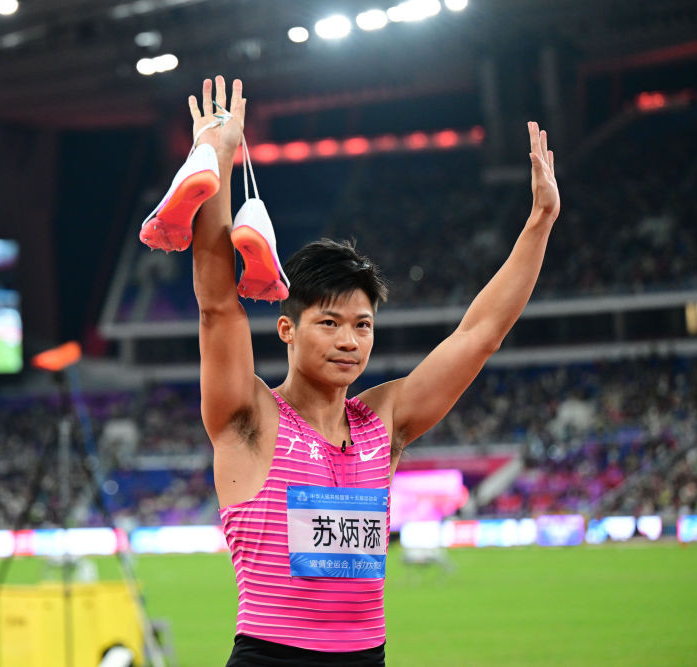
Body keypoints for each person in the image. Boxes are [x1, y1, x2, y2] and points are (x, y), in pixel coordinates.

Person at [147, 75, 560, 665]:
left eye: (363, 325)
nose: (349, 341)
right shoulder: (250, 419)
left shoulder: (382, 424)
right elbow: (218, 307)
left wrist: (540, 222)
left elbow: (479, 335)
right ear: (287, 329)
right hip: (271, 658)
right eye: (329, 322)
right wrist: (219, 154)